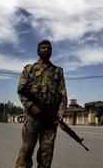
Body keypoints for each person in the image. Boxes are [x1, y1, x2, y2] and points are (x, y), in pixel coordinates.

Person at [15, 40, 67, 168]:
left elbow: (63, 94)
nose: (46, 49)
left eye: (49, 47)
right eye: (43, 47)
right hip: (33, 117)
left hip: (50, 118)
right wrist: (31, 106)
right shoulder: (29, 69)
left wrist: (60, 112)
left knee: (46, 154)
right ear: (38, 51)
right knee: (26, 150)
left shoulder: (58, 71)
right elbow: (21, 90)